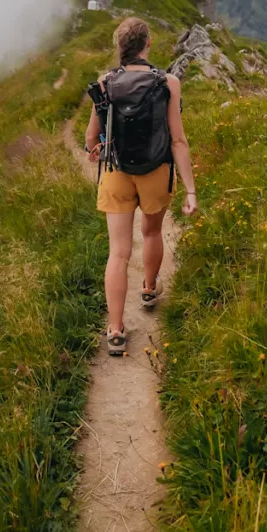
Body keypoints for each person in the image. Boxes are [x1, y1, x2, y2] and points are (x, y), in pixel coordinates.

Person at [85, 17, 197, 355]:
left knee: (118, 252)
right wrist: (191, 190)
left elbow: (92, 138)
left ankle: (116, 331)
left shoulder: (105, 82)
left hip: (117, 173)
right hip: (155, 170)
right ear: (147, 44)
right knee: (151, 232)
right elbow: (177, 140)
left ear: (120, 47)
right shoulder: (169, 82)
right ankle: (149, 288)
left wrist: (95, 149)